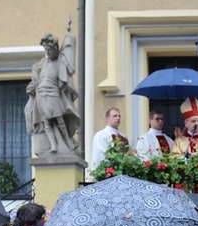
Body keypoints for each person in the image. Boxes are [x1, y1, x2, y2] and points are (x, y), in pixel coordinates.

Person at [25, 27, 80, 155]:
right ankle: (53, 145)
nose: (48, 52)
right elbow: (36, 80)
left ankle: (67, 141)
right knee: (47, 123)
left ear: (56, 49)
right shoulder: (41, 64)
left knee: (60, 119)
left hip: (53, 94)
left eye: (50, 50)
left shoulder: (60, 62)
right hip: (41, 95)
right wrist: (33, 88)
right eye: (46, 50)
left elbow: (62, 82)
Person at [90, 107, 128, 173]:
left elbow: (126, 155)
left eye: (119, 116)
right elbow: (100, 155)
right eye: (115, 116)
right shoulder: (101, 135)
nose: (118, 118)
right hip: (107, 172)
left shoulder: (123, 137)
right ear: (107, 118)